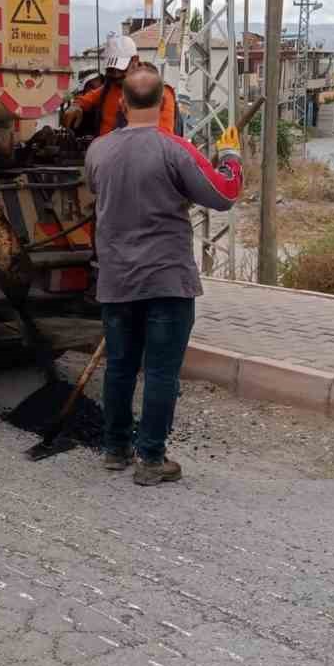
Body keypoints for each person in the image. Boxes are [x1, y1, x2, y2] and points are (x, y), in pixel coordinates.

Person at [84, 64, 242, 485]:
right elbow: (224, 194)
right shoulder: (176, 149)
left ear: (121, 101)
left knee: (119, 366)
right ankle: (151, 459)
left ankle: (115, 450)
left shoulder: (97, 151)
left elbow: (98, 192)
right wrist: (231, 159)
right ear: (163, 101)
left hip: (117, 278)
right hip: (166, 280)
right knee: (160, 371)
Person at [62, 34, 181, 137]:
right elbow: (88, 98)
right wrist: (76, 105)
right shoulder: (110, 87)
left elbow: (164, 138)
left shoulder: (160, 92)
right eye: (111, 70)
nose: (116, 75)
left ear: (135, 60)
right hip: (105, 156)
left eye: (120, 69)